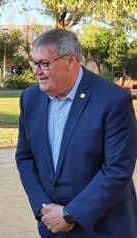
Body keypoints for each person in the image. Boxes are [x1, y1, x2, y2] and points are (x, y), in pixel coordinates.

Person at [15, 29, 137, 237]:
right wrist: (43, 208)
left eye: (44, 63)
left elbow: (118, 169)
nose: (36, 71)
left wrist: (71, 214)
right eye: (34, 63)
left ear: (71, 61)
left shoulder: (114, 100)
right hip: (52, 226)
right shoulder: (30, 98)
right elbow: (25, 157)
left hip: (104, 227)